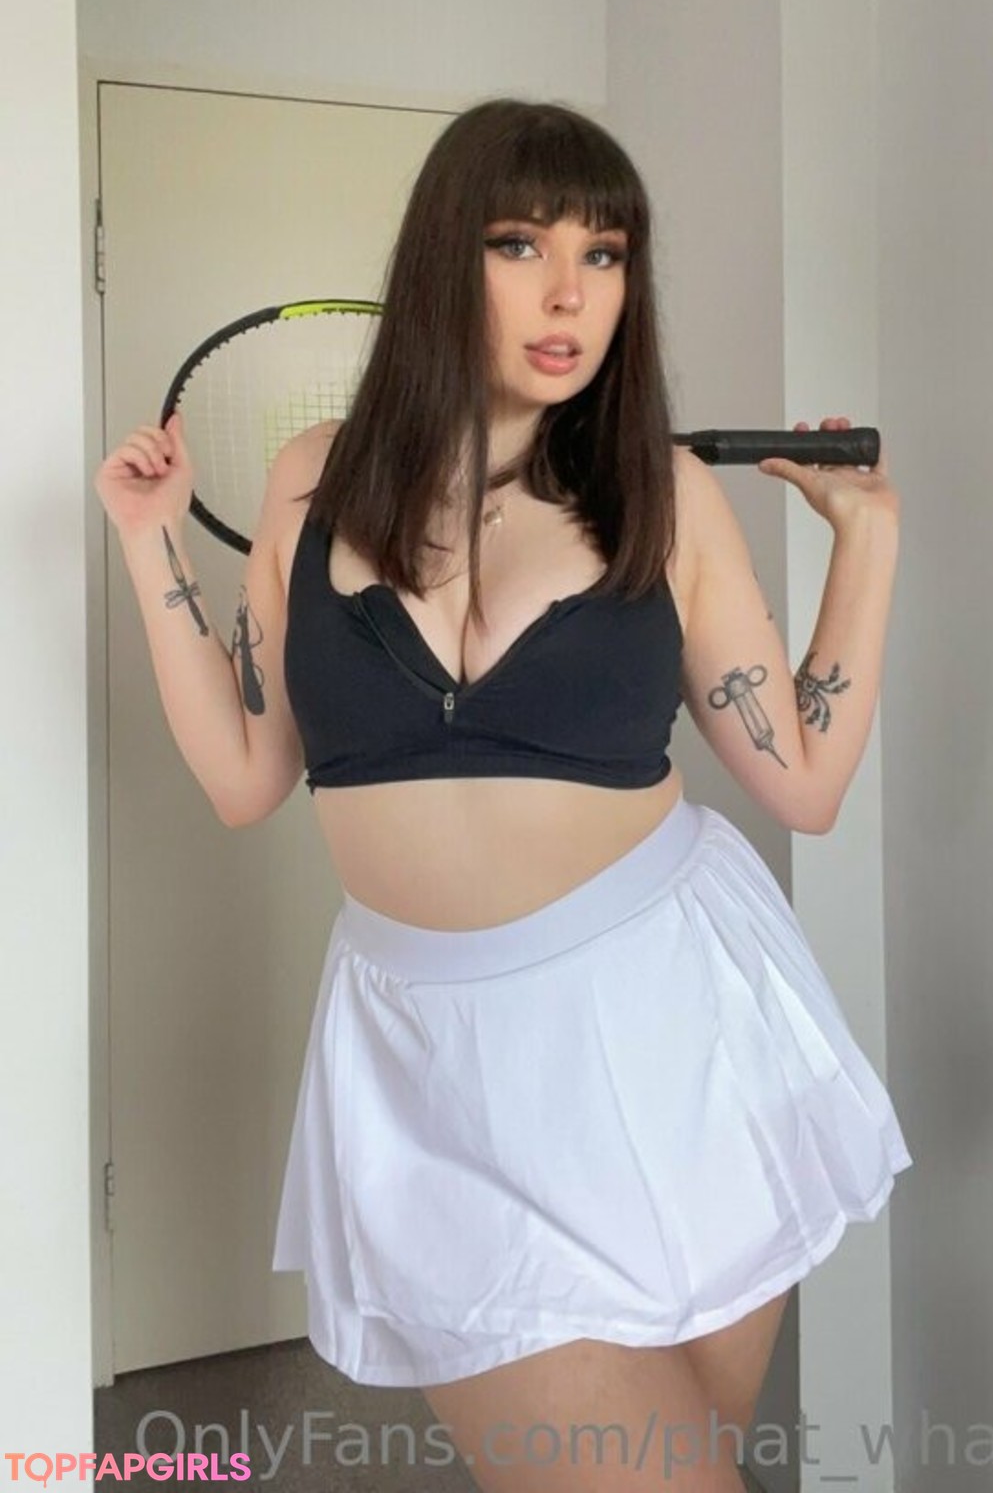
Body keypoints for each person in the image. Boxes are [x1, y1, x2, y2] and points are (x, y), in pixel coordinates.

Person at [95, 97, 911, 1493]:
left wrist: (870, 544)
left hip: (679, 1038)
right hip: (432, 1069)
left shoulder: (662, 494)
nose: (568, 292)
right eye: (521, 243)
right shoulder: (311, 483)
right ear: (443, 259)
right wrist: (147, 543)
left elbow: (807, 783)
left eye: (605, 254)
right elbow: (245, 776)